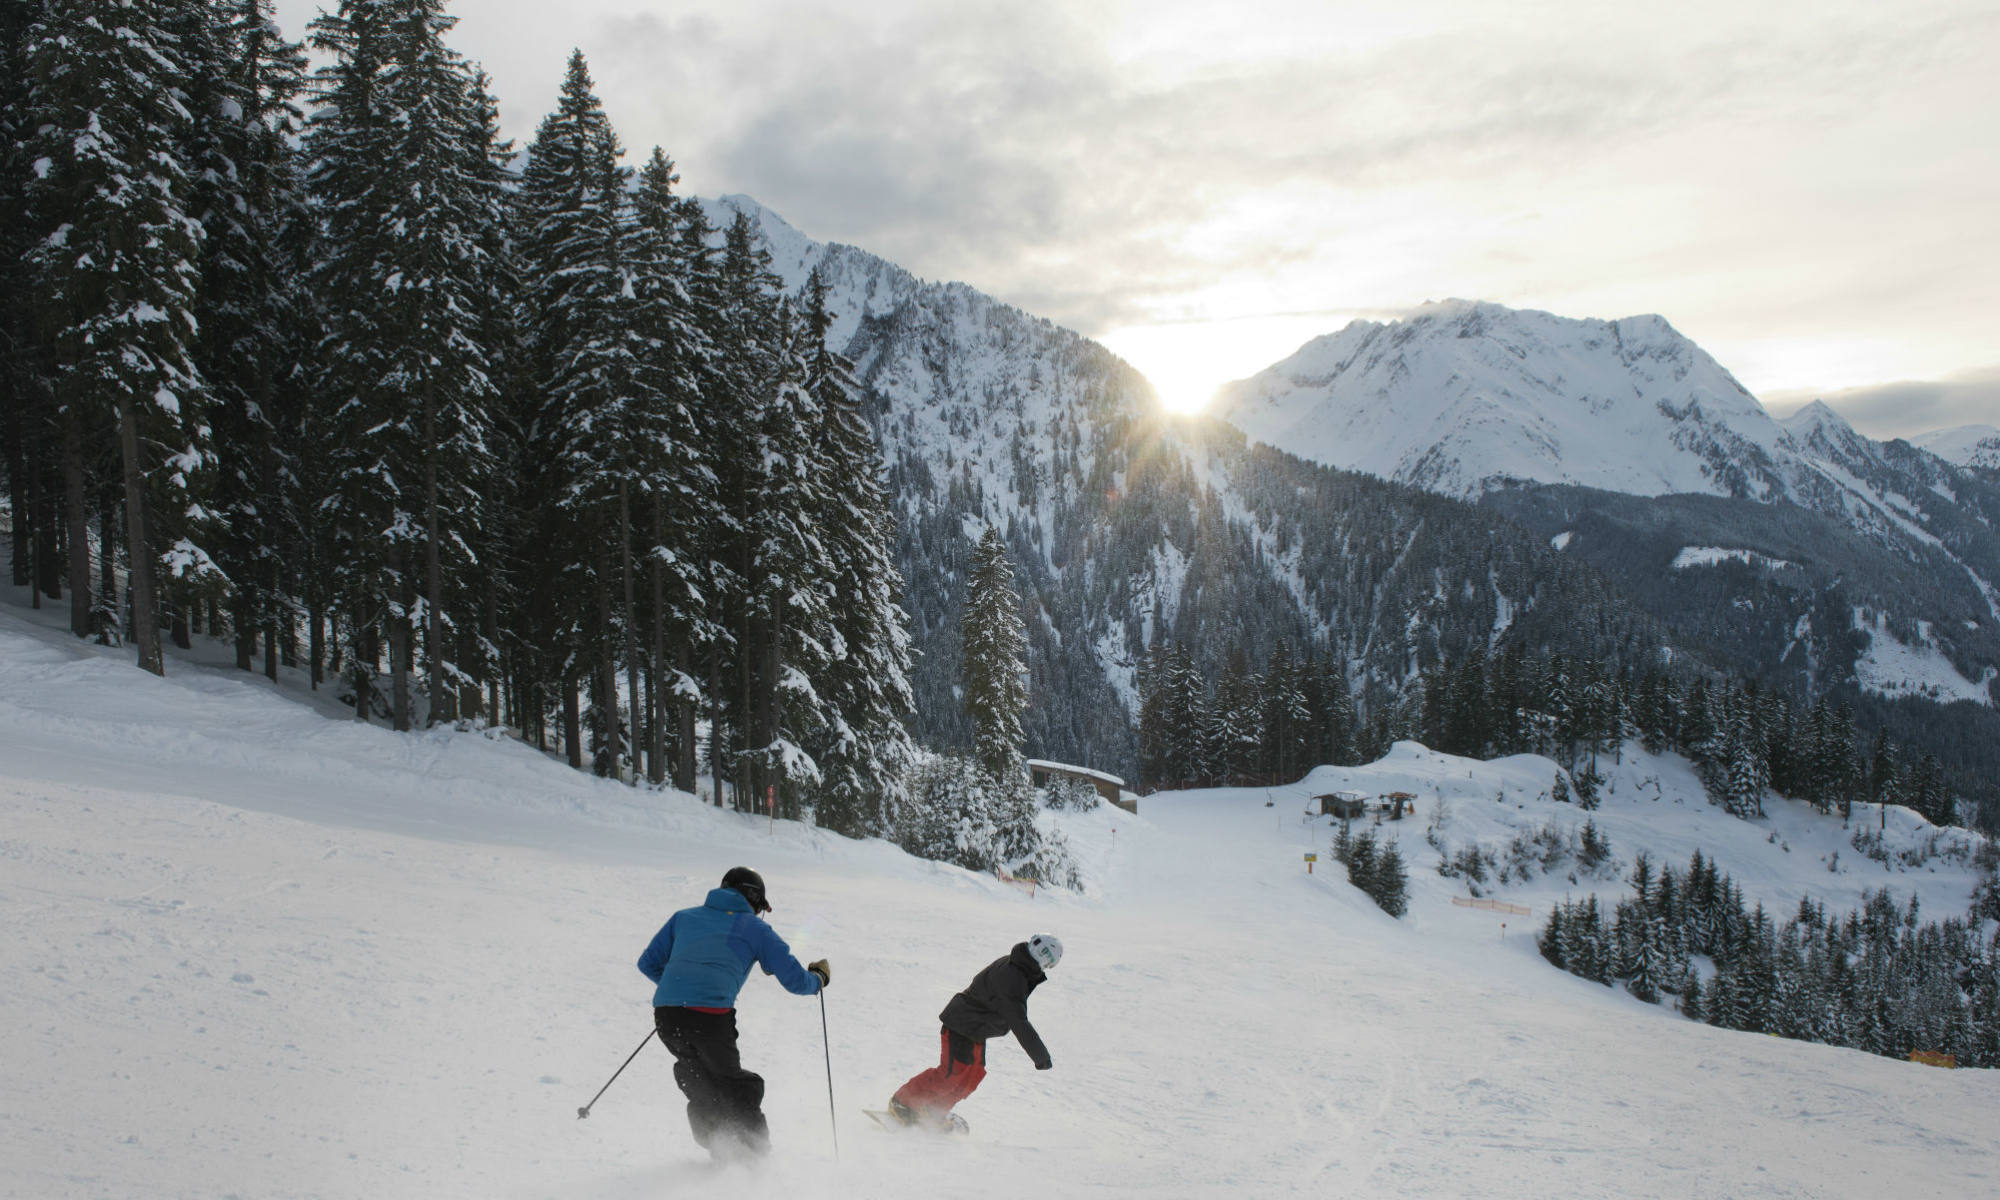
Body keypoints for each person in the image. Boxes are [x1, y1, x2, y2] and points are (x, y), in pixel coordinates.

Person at [637, 866, 829, 1161]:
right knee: (735, 1084)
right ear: (753, 900)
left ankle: (719, 1144)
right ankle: (756, 1158)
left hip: (666, 1015)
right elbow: (794, 980)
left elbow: (648, 963)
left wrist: (682, 989)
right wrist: (818, 979)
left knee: (697, 1075)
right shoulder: (754, 928)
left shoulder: (684, 917)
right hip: (710, 1018)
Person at [888, 934, 1061, 1131]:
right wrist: (1040, 1056)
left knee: (972, 1078)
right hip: (961, 1023)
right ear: (1046, 961)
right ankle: (903, 1102)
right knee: (951, 1075)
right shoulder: (1014, 977)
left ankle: (932, 1110)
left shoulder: (1019, 967)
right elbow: (1018, 1021)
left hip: (976, 1029)